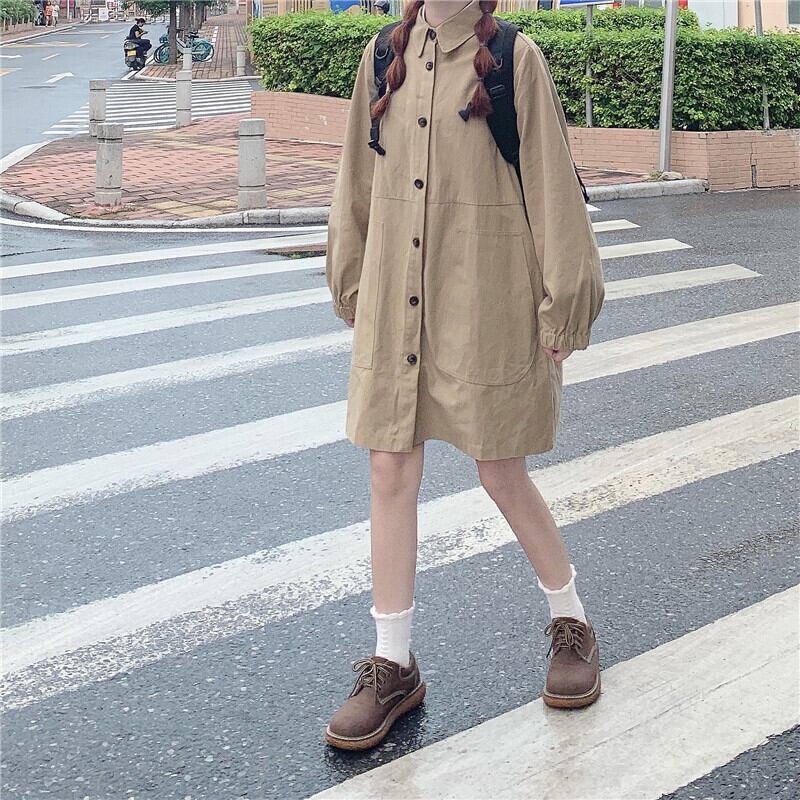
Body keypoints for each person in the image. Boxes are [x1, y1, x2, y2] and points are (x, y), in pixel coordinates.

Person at [323, 0, 605, 751]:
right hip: (397, 296)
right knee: (389, 467)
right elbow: (356, 178)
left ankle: (571, 620)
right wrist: (350, 278)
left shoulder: (514, 58)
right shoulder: (382, 55)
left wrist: (564, 303)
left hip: (483, 294)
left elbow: (551, 184)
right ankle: (392, 662)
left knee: (500, 469)